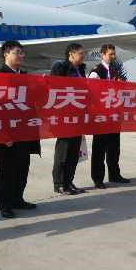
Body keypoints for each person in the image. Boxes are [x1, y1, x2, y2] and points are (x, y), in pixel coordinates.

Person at [0, 41, 41, 218]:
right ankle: (4, 204)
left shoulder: (26, 77)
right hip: (7, 133)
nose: (21, 56)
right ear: (6, 54)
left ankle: (17, 198)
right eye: (17, 52)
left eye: (22, 53)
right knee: (6, 169)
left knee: (22, 166)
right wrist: (1, 134)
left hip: (24, 131)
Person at [88, 44, 130, 188]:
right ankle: (98, 178)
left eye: (114, 54)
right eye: (110, 54)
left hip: (114, 115)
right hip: (101, 116)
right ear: (102, 55)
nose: (113, 56)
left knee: (114, 148)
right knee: (99, 149)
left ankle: (114, 174)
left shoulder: (116, 71)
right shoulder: (96, 72)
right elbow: (92, 93)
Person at [51, 43, 87, 195]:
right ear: (71, 54)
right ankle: (59, 183)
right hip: (64, 117)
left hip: (78, 117)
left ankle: (68, 182)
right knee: (63, 152)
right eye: (81, 54)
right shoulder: (60, 68)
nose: (83, 56)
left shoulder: (81, 70)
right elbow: (54, 88)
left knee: (74, 153)